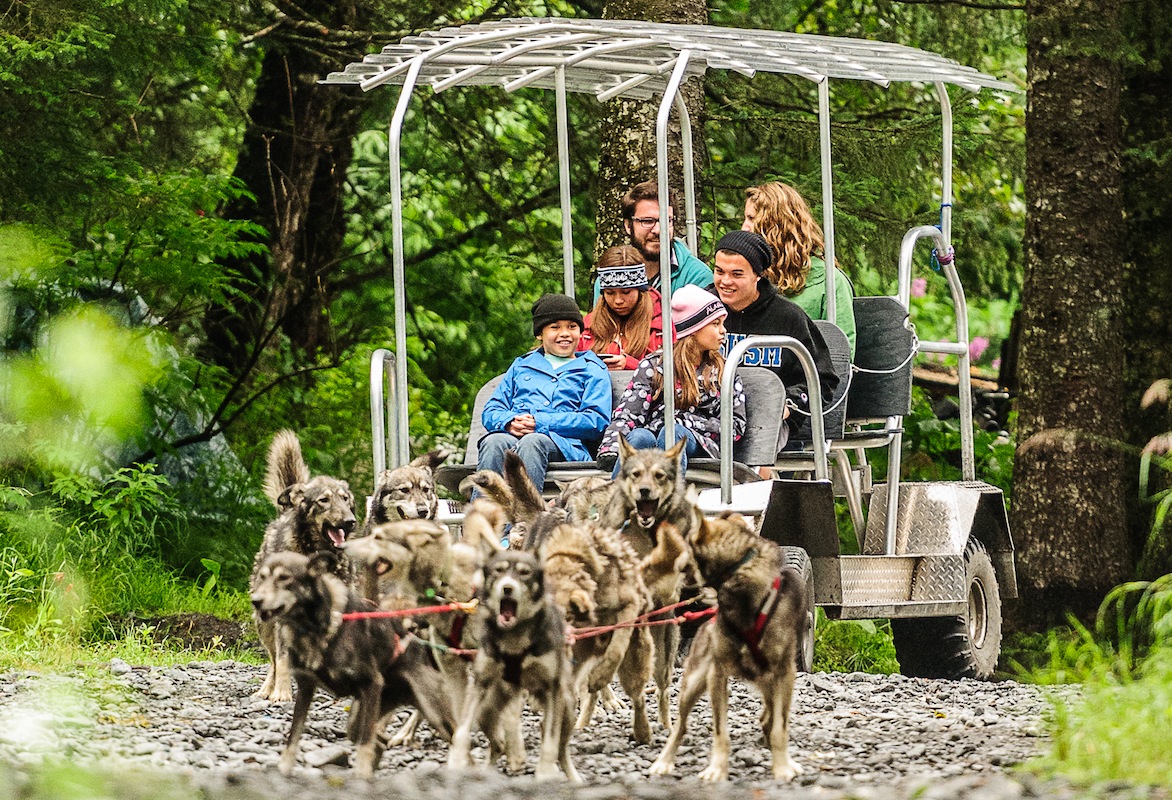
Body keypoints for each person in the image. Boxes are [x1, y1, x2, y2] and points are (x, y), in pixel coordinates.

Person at [596, 284, 746, 475]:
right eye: (715, 324)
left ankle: (668, 500)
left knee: (672, 433)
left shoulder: (723, 370)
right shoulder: (655, 366)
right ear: (693, 330)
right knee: (640, 437)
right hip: (656, 441)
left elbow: (735, 426)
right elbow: (628, 414)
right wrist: (612, 448)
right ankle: (617, 499)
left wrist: (683, 422)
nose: (723, 331)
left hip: (702, 445)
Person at [711, 230, 838, 451]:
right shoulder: (703, 308)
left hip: (768, 420)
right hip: (711, 415)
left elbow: (822, 379)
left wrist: (788, 404)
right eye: (719, 271)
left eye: (737, 274)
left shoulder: (788, 318)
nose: (725, 281)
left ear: (758, 275)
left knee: (758, 443)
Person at [477, 294, 612, 491]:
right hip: (515, 439)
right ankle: (483, 518)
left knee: (533, 441)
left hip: (564, 446)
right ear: (540, 333)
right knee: (494, 441)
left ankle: (525, 519)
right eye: (555, 327)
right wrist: (510, 421)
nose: (565, 333)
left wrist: (539, 423)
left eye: (572, 327)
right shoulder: (522, 365)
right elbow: (491, 411)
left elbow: (596, 420)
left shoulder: (592, 368)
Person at [743, 181, 856, 355]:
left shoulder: (829, 282)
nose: (744, 227)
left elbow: (841, 356)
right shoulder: (748, 277)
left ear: (775, 224)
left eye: (751, 219)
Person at [592, 180, 713, 302]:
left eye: (667, 221)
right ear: (628, 225)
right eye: (647, 221)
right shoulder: (611, 276)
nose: (658, 230)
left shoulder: (696, 276)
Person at [579, 245, 667, 371]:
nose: (618, 301)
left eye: (626, 292)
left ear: (640, 291)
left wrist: (630, 365)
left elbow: (670, 374)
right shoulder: (587, 327)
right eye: (610, 293)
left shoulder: (661, 326)